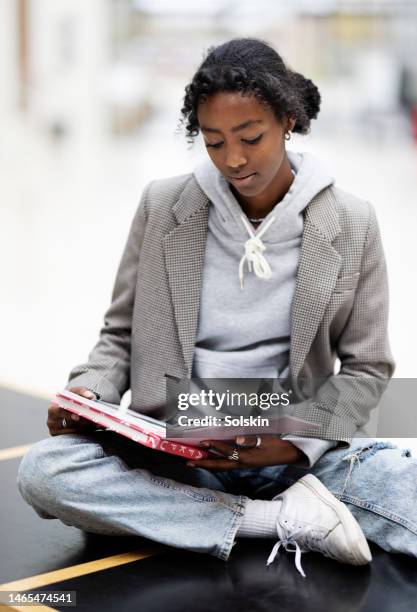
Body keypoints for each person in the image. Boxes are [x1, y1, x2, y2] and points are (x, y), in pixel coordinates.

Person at [17, 38, 417, 578]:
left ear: (288, 120)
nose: (234, 159)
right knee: (46, 472)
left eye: (250, 138)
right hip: (178, 456)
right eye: (213, 142)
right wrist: (90, 390)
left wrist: (291, 445)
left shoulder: (351, 222)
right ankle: (271, 521)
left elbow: (368, 368)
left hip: (295, 452)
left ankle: (212, 516)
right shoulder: (164, 206)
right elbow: (118, 336)